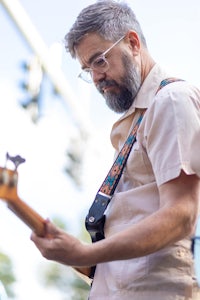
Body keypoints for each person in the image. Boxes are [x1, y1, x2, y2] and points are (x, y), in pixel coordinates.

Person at [31, 1, 200, 299]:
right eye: (87, 69)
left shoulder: (170, 101)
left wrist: (84, 253)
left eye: (99, 60)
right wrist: (76, 253)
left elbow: (181, 213)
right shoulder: (139, 118)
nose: (95, 78)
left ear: (133, 43)